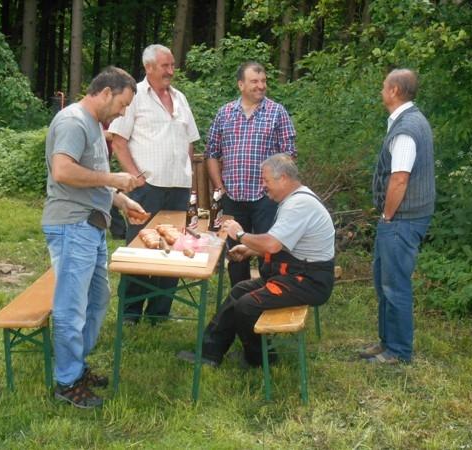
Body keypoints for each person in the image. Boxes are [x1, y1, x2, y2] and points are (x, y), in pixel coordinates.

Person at [42, 67, 149, 408]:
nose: (123, 112)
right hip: (72, 226)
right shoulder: (73, 122)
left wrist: (121, 200)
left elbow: (91, 180)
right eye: (122, 104)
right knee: (71, 309)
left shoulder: (93, 126)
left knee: (98, 300)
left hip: (91, 227)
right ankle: (67, 381)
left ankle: (76, 365)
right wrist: (114, 178)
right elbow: (63, 171)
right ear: (105, 93)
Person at [178, 154, 335, 367]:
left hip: (309, 282)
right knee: (239, 291)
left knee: (247, 306)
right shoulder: (296, 199)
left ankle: (260, 360)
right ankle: (209, 353)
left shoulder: (299, 205)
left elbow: (272, 245)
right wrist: (250, 250)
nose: (263, 186)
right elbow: (284, 244)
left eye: (266, 180)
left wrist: (240, 235)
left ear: (283, 178)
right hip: (295, 275)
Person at [109, 44, 200, 323]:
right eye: (165, 66)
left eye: (172, 65)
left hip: (179, 188)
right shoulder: (135, 97)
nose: (171, 71)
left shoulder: (180, 98)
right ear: (148, 67)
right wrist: (136, 178)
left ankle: (160, 312)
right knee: (140, 246)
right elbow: (118, 141)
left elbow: (189, 142)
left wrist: (188, 176)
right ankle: (130, 311)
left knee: (172, 247)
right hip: (147, 188)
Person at [358, 68, 435, 364]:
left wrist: (388, 215)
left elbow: (399, 179)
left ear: (394, 91)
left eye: (383, 87)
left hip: (402, 219)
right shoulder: (411, 121)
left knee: (394, 286)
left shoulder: (406, 129)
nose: (381, 91)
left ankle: (398, 351)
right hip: (403, 218)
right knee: (384, 282)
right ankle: (386, 342)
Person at [205, 61, 297, 287]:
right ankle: (240, 297)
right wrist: (219, 188)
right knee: (236, 254)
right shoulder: (225, 113)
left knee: (269, 252)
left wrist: (277, 186)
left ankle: (269, 295)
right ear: (241, 84)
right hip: (232, 197)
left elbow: (289, 155)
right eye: (254, 81)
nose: (261, 85)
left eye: (263, 81)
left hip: (266, 198)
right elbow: (212, 153)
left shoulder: (276, 112)